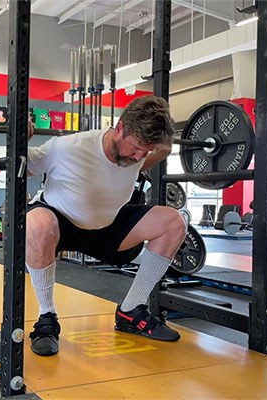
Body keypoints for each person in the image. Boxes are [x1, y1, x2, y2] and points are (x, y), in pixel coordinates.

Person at [25, 95, 186, 356]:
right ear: (120, 127)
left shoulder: (140, 153)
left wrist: (158, 148)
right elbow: (24, 165)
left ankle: (131, 310)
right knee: (37, 222)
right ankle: (47, 318)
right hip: (61, 223)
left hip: (108, 227)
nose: (139, 157)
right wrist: (21, 139)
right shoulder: (68, 147)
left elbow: (157, 151)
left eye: (146, 151)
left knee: (174, 222)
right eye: (135, 147)